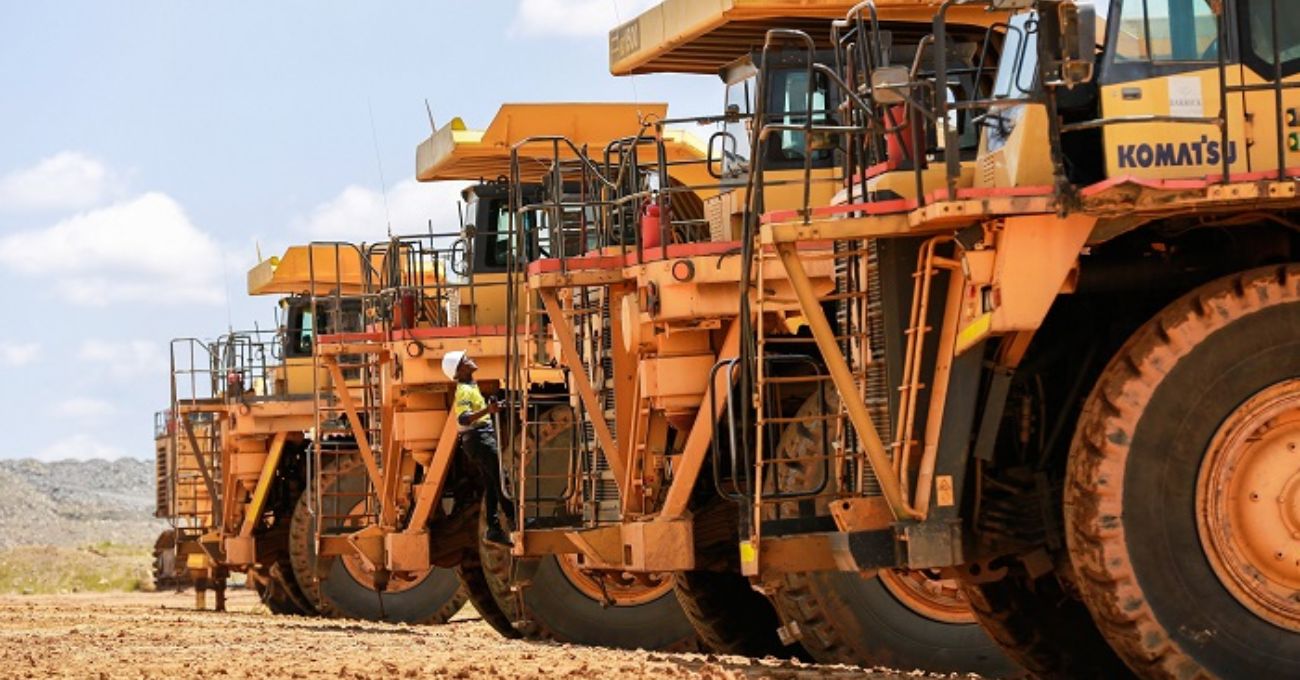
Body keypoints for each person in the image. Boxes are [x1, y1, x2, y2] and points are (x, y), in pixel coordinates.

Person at [442, 350, 511, 546]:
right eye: (465, 360)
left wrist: (492, 407)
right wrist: (488, 410)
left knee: (491, 484)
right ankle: (514, 520)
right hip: (479, 438)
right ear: (460, 370)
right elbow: (463, 418)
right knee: (501, 478)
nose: (470, 359)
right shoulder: (464, 389)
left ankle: (493, 528)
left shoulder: (470, 386)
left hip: (477, 439)